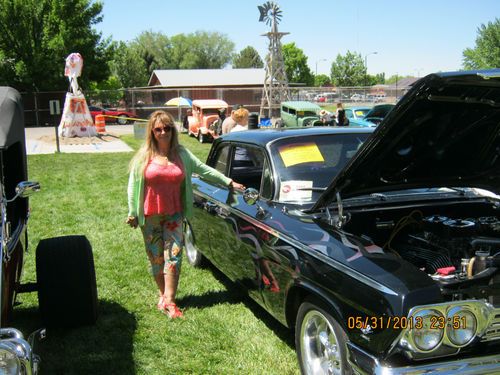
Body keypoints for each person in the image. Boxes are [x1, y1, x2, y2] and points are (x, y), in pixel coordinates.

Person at [126, 110, 245, 319]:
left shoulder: (182, 154)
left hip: (174, 214)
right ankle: (163, 295)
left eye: (167, 128)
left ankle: (170, 301)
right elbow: (132, 186)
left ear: (173, 130)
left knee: (174, 255)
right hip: (150, 215)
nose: (163, 132)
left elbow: (204, 170)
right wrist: (132, 212)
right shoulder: (144, 156)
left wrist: (228, 182)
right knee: (156, 258)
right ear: (152, 132)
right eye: (158, 129)